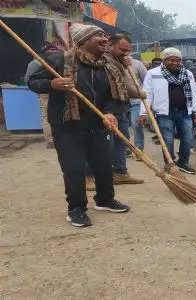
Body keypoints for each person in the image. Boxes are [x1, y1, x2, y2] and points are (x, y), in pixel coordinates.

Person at [28, 24, 130, 227]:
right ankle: (76, 209)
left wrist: (110, 113)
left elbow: (115, 96)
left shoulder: (108, 65)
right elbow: (33, 81)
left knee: (103, 164)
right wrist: (52, 84)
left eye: (105, 35)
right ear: (83, 40)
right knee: (74, 168)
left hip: (98, 125)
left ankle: (104, 200)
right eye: (99, 35)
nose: (105, 39)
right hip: (67, 126)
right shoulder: (59, 60)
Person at [139, 47, 196, 174]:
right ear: (164, 60)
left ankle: (183, 163)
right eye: (171, 60)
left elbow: (193, 94)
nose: (175, 63)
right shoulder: (153, 73)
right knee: (167, 139)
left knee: (188, 138)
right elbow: (147, 94)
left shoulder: (187, 73)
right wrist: (144, 112)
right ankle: (170, 163)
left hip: (185, 112)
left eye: (178, 60)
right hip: (164, 113)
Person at [107, 33, 144, 184]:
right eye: (122, 50)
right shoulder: (104, 61)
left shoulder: (120, 62)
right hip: (107, 109)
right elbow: (110, 86)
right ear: (110, 45)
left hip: (122, 107)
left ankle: (121, 172)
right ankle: (97, 175)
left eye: (128, 50)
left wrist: (139, 93)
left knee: (123, 140)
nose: (126, 54)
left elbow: (125, 84)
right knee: (105, 143)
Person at [25, 41, 65, 149]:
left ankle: (51, 140)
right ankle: (55, 139)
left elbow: (28, 80)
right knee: (54, 114)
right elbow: (31, 81)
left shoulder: (35, 63)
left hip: (47, 92)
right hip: (52, 92)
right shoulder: (60, 60)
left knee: (47, 115)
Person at [128, 57, 148, 157]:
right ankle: (126, 148)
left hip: (136, 101)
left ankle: (139, 150)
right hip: (120, 101)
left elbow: (147, 81)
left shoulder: (137, 64)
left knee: (136, 124)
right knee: (123, 127)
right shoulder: (111, 63)